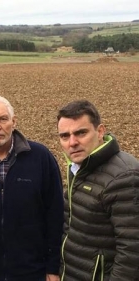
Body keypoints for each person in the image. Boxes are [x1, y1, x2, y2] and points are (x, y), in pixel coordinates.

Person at [0, 95, 64, 281]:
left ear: (13, 121)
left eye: (3, 119)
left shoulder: (40, 158)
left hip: (32, 272)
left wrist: (53, 267)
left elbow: (55, 215)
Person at [57, 100, 139, 281]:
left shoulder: (124, 177)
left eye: (81, 133)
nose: (72, 142)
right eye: (65, 136)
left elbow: (132, 251)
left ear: (100, 131)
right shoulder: (79, 168)